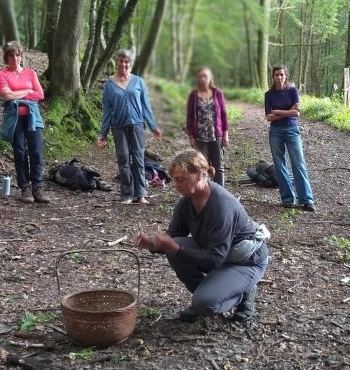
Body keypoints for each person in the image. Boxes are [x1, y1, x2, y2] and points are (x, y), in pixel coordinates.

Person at [134, 150, 269, 322]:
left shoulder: (221, 206)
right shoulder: (186, 202)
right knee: (175, 250)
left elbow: (214, 259)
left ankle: (241, 294)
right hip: (220, 254)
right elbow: (173, 237)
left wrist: (175, 247)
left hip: (245, 260)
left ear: (199, 175)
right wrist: (152, 244)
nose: (175, 184)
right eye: (174, 179)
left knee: (205, 303)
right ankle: (209, 293)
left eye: (180, 179)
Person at [97, 49, 162, 204]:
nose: (124, 65)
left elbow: (146, 107)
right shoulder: (109, 85)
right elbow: (107, 111)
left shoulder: (138, 82)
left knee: (139, 159)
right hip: (118, 127)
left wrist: (153, 127)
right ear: (116, 62)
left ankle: (140, 194)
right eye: (121, 61)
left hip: (137, 125)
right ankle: (126, 194)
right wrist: (103, 133)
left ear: (130, 64)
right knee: (123, 159)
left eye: (127, 62)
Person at [0, 41, 49, 204]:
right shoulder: (2, 75)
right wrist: (27, 92)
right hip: (14, 117)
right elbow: (7, 96)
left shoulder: (31, 73)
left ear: (21, 56)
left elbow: (40, 94)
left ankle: (37, 187)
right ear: (6, 58)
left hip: (33, 116)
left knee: (37, 151)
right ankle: (25, 187)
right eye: (11, 55)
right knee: (19, 152)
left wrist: (17, 95)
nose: (15, 58)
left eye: (17, 55)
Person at [264, 65, 315, 211]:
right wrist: (288, 111)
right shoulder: (269, 95)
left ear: (286, 75)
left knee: (298, 163)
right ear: (273, 77)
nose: (279, 77)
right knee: (279, 165)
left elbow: (297, 113)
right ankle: (287, 199)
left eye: (281, 74)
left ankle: (306, 199)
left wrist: (278, 111)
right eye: (276, 75)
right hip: (275, 132)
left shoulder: (292, 91)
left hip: (292, 130)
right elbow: (268, 117)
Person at [186, 67, 229, 186]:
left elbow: (224, 114)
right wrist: (191, 136)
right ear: (197, 78)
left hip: (216, 135)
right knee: (202, 167)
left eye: (205, 76)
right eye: (200, 76)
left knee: (219, 167)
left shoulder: (217, 93)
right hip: (200, 137)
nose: (203, 79)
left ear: (210, 78)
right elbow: (189, 117)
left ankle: (220, 192)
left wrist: (225, 133)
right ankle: (206, 191)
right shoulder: (193, 95)